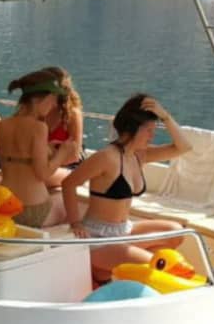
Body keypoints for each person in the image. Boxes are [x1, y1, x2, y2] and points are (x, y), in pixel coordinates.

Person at [62, 94, 193, 282]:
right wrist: (75, 223)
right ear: (133, 128)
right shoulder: (106, 157)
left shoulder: (139, 155)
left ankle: (114, 271)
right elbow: (68, 183)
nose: (152, 135)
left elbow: (184, 147)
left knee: (176, 232)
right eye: (148, 130)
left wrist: (165, 116)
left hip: (125, 229)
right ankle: (107, 268)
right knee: (159, 266)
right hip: (99, 238)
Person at [0, 70, 78, 228]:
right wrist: (62, 153)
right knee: (71, 201)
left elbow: (15, 159)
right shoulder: (39, 127)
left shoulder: (3, 124)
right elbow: (43, 174)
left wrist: (47, 149)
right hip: (32, 211)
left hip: (5, 205)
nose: (54, 104)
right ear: (43, 98)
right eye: (53, 99)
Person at [42, 66, 84, 188]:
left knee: (33, 178)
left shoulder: (72, 114)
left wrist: (49, 155)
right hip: (45, 165)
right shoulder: (39, 112)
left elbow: (73, 156)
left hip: (69, 168)